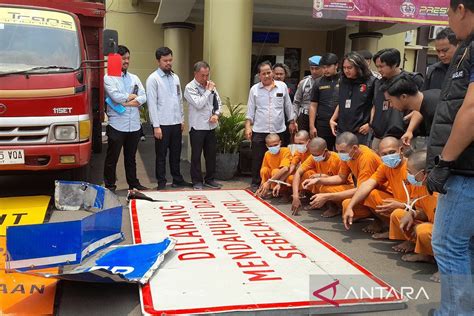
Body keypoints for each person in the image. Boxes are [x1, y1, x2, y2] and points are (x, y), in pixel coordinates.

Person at [426, 1, 474, 314]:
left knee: (447, 244)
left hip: (464, 170)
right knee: (464, 246)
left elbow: (471, 111)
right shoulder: (466, 49)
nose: (448, 21)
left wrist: (445, 162)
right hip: (463, 167)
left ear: (461, 9)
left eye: (446, 14)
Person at [302, 132, 381, 220]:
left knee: (357, 200)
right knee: (341, 200)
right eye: (338, 151)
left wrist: (327, 197)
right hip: (364, 189)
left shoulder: (366, 159)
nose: (339, 154)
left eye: (342, 151)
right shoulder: (348, 155)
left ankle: (379, 221)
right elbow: (341, 177)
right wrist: (318, 180)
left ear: (354, 148)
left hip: (376, 192)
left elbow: (363, 189)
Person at [245, 61, 297, 192]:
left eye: (269, 72)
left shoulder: (282, 86)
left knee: (280, 159)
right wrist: (248, 126)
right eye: (264, 73)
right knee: (258, 158)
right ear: (259, 75)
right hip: (259, 129)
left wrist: (292, 121)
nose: (267, 76)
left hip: (278, 129)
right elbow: (250, 109)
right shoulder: (254, 90)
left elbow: (288, 106)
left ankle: (278, 184)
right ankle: (256, 183)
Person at [388, 150, 439, 281]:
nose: (408, 175)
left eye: (410, 172)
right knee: (400, 214)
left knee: (423, 230)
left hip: (445, 232)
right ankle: (426, 254)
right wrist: (413, 213)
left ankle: (445, 268)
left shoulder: (440, 193)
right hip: (433, 226)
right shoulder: (420, 185)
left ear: (423, 173)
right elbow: (424, 212)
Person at [103, 45, 148, 192]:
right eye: (123, 59)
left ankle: (133, 183)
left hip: (134, 125)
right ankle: (110, 185)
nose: (126, 61)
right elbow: (115, 97)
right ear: (115, 60)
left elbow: (143, 96)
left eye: (128, 58)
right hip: (117, 124)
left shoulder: (134, 78)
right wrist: (131, 98)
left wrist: (126, 102)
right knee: (112, 158)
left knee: (131, 158)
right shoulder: (108, 77)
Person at [146, 47, 192, 190]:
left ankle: (177, 178)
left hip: (175, 122)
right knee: (161, 155)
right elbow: (151, 104)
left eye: (170, 60)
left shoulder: (175, 77)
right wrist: (156, 126)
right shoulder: (153, 79)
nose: (168, 63)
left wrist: (182, 119)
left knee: (176, 153)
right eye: (165, 61)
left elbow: (178, 99)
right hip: (162, 124)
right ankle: (161, 181)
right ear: (158, 61)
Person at [343, 137, 408, 237]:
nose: (388, 157)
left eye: (392, 152)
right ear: (379, 154)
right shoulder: (385, 167)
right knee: (366, 195)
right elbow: (367, 184)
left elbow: (422, 202)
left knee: (400, 214)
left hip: (412, 207)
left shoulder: (412, 169)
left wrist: (404, 205)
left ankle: (407, 238)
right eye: (384, 154)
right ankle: (390, 227)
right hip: (395, 201)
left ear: (401, 150)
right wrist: (350, 207)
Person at [370, 48, 424, 151]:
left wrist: (410, 130)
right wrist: (372, 122)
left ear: (394, 64)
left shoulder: (412, 79)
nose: (379, 70)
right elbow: (375, 104)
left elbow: (420, 107)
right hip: (379, 135)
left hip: (402, 136)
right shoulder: (378, 83)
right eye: (377, 67)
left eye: (382, 66)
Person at [184, 61, 222, 190]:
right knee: (196, 156)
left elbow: (218, 103)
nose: (205, 78)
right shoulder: (190, 88)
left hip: (211, 126)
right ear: (195, 74)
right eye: (202, 75)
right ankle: (196, 181)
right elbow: (199, 104)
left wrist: (216, 114)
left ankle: (210, 179)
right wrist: (208, 91)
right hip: (197, 127)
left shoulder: (211, 86)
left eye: (207, 75)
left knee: (211, 155)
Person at [330, 51, 376, 145]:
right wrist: (332, 119)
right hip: (342, 129)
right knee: (342, 157)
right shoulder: (343, 81)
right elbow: (341, 102)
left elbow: (375, 106)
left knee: (360, 158)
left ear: (359, 67)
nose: (346, 71)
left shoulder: (371, 82)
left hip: (361, 130)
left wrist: (370, 124)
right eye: (344, 68)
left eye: (350, 68)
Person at [382, 74, 441, 146]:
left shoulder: (434, 111)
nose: (390, 105)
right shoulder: (428, 97)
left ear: (403, 97)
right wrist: (409, 131)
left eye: (390, 101)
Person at [292, 137, 343, 215]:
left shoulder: (338, 159)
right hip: (325, 184)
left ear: (325, 151)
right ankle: (316, 202)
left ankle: (334, 207)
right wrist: (295, 196)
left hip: (342, 186)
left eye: (317, 155)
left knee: (324, 187)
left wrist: (324, 177)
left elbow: (342, 179)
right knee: (308, 174)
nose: (314, 157)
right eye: (312, 154)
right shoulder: (313, 157)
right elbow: (298, 172)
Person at [309, 53, 339, 150]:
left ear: (336, 65)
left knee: (342, 153)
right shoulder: (318, 82)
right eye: (324, 67)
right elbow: (313, 105)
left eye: (329, 67)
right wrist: (312, 126)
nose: (326, 70)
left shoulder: (344, 80)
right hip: (323, 124)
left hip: (341, 123)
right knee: (323, 152)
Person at [255, 133, 292, 199]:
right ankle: (268, 191)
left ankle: (284, 192)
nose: (273, 147)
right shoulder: (267, 153)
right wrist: (262, 187)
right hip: (273, 179)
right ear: (267, 146)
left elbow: (285, 169)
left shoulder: (285, 150)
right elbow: (263, 171)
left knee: (275, 171)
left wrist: (269, 182)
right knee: (264, 170)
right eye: (271, 146)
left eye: (275, 145)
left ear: (280, 143)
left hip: (284, 177)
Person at [293, 55, 323, 132]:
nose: (314, 71)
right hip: (304, 116)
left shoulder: (326, 82)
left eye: (317, 68)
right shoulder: (304, 82)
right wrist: (294, 119)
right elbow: (296, 102)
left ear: (322, 68)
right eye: (312, 68)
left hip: (320, 117)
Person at [273, 63, 294, 146]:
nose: (278, 76)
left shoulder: (291, 87)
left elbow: (294, 103)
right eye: (276, 74)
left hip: (287, 121)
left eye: (281, 74)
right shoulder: (267, 87)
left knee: (284, 144)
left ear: (285, 75)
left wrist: (293, 121)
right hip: (273, 121)